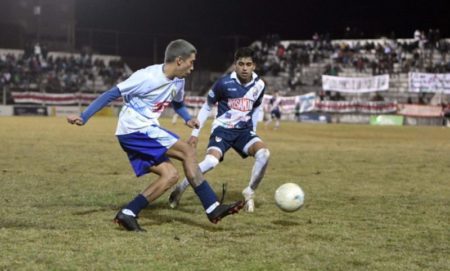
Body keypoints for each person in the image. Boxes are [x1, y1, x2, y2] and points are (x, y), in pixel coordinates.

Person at [67, 39, 244, 232]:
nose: (193, 67)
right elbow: (112, 93)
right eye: (191, 62)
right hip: (135, 130)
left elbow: (177, 104)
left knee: (170, 175)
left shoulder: (179, 81)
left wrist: (186, 118)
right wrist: (84, 116)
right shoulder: (147, 77)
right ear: (178, 61)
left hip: (141, 131)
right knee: (187, 151)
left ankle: (128, 213)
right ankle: (212, 207)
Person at [168, 47, 270, 213]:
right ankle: (181, 188)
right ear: (235, 65)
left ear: (254, 66)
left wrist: (254, 130)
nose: (245, 68)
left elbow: (256, 107)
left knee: (264, 154)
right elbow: (207, 106)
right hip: (222, 130)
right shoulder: (223, 83)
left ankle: (249, 191)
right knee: (211, 162)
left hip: (244, 132)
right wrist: (195, 133)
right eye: (241, 64)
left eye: (248, 64)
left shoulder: (259, 85)